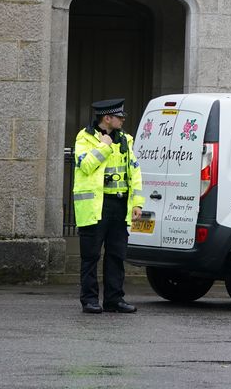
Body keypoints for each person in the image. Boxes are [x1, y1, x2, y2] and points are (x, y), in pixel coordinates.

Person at [72, 98, 144, 314]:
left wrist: (138, 203)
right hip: (96, 206)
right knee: (91, 256)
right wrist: (103, 147)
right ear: (107, 118)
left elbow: (135, 172)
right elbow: (85, 166)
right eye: (119, 117)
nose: (123, 120)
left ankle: (114, 299)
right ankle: (90, 300)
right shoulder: (84, 138)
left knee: (116, 255)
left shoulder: (126, 140)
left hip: (119, 205)